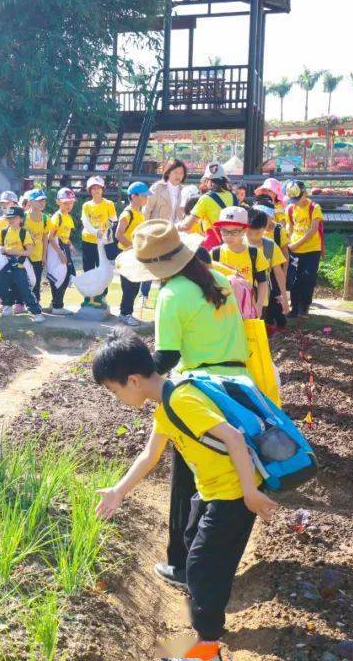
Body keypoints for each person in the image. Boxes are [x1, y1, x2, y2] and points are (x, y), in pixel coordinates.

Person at [91, 331, 278, 661]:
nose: (115, 397)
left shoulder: (181, 401)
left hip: (234, 495)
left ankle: (207, 649)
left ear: (132, 381)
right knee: (195, 551)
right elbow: (149, 455)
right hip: (212, 492)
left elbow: (234, 439)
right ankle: (207, 624)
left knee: (202, 567)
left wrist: (250, 493)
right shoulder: (166, 406)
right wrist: (119, 492)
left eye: (113, 390)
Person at [114, 219, 250, 592]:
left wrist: (135, 380)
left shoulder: (172, 295)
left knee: (186, 481)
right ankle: (212, 561)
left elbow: (168, 357)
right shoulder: (215, 278)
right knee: (222, 473)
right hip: (238, 387)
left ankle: (185, 566)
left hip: (200, 391)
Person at [0, 206, 45, 322]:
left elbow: (29, 251)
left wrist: (13, 251)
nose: (11, 220)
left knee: (26, 290)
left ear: (21, 219)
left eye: (14, 218)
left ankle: (37, 313)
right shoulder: (4, 231)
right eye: (9, 218)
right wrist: (3, 250)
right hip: (6, 265)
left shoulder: (24, 233)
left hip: (20, 267)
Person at [209, 207, 270, 319]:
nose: (228, 236)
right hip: (223, 309)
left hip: (247, 309)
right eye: (224, 231)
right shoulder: (215, 254)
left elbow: (262, 281)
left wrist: (259, 305)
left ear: (244, 231)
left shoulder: (254, 253)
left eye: (234, 232)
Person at [283, 180, 323, 318]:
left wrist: (296, 244)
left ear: (305, 193)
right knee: (294, 278)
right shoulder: (289, 209)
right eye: (293, 200)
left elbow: (313, 230)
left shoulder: (314, 207)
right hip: (294, 250)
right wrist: (287, 242)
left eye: (298, 199)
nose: (296, 202)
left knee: (308, 278)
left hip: (312, 249)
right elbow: (289, 227)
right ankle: (294, 307)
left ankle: (304, 306)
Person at [246, 208, 290, 332]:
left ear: (265, 228)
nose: (253, 237)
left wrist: (285, 299)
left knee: (260, 327)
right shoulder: (238, 245)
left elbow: (278, 273)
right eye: (249, 233)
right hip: (242, 294)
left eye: (258, 233)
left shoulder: (270, 246)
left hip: (263, 295)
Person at [79, 176, 117, 310]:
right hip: (88, 241)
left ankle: (101, 297)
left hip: (103, 242)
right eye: (93, 188)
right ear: (90, 190)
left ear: (102, 189)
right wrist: (95, 232)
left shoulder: (109, 204)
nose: (96, 191)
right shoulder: (86, 205)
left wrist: (104, 231)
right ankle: (88, 297)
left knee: (104, 269)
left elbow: (113, 220)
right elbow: (85, 221)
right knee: (88, 269)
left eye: (98, 188)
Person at [115, 182, 150, 327]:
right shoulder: (127, 213)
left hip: (135, 254)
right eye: (144, 196)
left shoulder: (140, 213)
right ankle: (125, 313)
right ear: (134, 196)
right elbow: (118, 234)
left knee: (135, 284)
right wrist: (132, 247)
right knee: (129, 285)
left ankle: (126, 312)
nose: (146, 199)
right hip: (127, 254)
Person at [178, 163, 239, 244]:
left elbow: (186, 226)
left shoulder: (205, 199)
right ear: (224, 180)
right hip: (233, 245)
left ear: (208, 180)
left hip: (213, 246)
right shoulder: (233, 197)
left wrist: (176, 226)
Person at [45, 186, 78, 315]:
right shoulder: (56, 217)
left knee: (68, 275)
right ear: (58, 202)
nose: (69, 205)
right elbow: (50, 237)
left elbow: (65, 235)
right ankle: (57, 306)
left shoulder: (67, 217)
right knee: (59, 275)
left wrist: (70, 246)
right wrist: (60, 253)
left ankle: (56, 303)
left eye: (71, 203)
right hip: (56, 249)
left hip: (64, 247)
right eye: (65, 203)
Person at [24, 189, 49, 305]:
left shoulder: (45, 219)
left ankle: (36, 303)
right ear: (30, 202)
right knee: (24, 279)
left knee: (37, 280)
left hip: (38, 256)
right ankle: (21, 303)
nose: (42, 203)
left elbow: (45, 238)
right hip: (25, 255)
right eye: (39, 200)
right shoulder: (23, 217)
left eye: (43, 200)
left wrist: (44, 256)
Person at [145, 158, 188, 224]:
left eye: (181, 173)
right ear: (168, 173)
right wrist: (146, 228)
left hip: (177, 231)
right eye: (175, 172)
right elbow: (146, 209)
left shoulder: (184, 190)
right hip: (158, 230)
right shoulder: (157, 187)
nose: (178, 176)